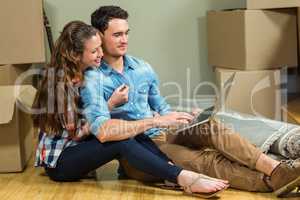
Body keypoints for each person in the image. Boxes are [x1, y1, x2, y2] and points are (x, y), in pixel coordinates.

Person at [83, 5, 300, 197]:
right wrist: (156, 121)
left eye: (126, 33)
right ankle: (271, 181)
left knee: (212, 128)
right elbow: (102, 131)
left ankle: (276, 168)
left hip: (163, 134)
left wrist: (183, 119)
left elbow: (161, 107)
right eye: (117, 34)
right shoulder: (94, 78)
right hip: (139, 152)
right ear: (99, 36)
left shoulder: (142, 67)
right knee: (202, 160)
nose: (125, 40)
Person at [33, 20, 229, 198]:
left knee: (129, 128)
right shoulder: (61, 85)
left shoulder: (85, 75)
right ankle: (181, 177)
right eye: (94, 51)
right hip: (61, 163)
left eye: (100, 47)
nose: (101, 54)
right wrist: (111, 107)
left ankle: (170, 169)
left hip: (78, 148)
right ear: (76, 55)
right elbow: (76, 135)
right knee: (121, 140)